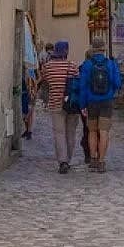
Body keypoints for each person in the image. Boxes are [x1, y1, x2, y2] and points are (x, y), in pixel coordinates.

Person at [79, 39, 122, 172]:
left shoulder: (87, 64)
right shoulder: (111, 64)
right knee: (104, 132)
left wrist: (82, 105)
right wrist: (110, 92)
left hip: (91, 102)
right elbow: (117, 83)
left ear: (92, 49)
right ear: (104, 49)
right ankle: (101, 161)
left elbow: (82, 86)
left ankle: (93, 159)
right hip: (106, 102)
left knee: (92, 131)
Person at [38, 40, 79, 174]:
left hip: (55, 103)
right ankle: (69, 159)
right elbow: (77, 83)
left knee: (59, 133)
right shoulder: (72, 66)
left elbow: (44, 81)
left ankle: (63, 161)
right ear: (66, 51)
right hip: (71, 104)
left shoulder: (48, 67)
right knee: (71, 133)